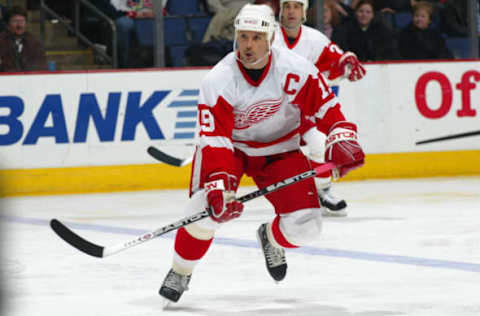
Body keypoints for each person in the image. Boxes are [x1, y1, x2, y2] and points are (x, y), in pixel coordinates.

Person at [158, 3, 365, 304]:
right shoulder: (218, 79)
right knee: (203, 210)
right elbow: (215, 139)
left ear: (270, 38)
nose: (248, 45)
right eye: (243, 37)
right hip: (232, 150)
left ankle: (270, 236)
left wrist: (343, 136)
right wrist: (217, 186)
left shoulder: (296, 69)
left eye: (256, 38)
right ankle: (181, 271)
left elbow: (328, 110)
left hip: (281, 150)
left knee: (306, 227)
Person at [273, 0, 366, 217]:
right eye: (287, 6)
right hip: (270, 108)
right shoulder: (268, 37)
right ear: (281, 10)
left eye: (296, 7)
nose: (291, 11)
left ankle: (322, 192)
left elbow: (336, 61)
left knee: (320, 144)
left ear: (304, 12)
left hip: (301, 111)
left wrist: (346, 62)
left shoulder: (315, 39)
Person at [332, 0, 400, 61]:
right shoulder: (345, 30)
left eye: (368, 12)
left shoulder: (382, 31)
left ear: (373, 15)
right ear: (356, 13)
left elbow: (390, 52)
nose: (364, 15)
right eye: (361, 11)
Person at [0, 6, 48, 72]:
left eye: (22, 21)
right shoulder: (1, 41)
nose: (19, 25)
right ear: (7, 24)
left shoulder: (34, 43)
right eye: (15, 21)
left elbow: (42, 68)